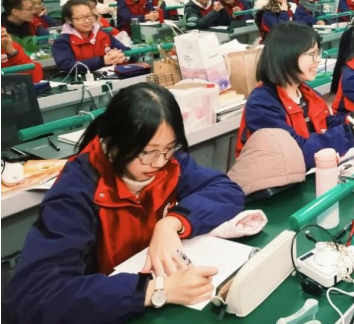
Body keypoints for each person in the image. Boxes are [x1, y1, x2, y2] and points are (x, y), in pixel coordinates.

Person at [3, 83, 245, 324]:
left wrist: (173, 223)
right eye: (147, 152)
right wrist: (155, 290)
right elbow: (36, 298)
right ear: (115, 143)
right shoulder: (76, 192)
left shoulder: (170, 163)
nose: (159, 162)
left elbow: (226, 190)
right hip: (106, 306)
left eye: (170, 148)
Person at [237, 22, 354, 168]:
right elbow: (295, 152)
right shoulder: (262, 104)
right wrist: (349, 135)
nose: (317, 59)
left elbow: (323, 123)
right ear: (287, 55)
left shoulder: (305, 92)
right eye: (311, 54)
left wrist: (351, 120)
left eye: (318, 52)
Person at [52, 0, 131, 73]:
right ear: (69, 20)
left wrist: (121, 56)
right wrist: (102, 60)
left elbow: (125, 51)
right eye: (80, 18)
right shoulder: (63, 41)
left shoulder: (102, 34)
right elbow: (66, 65)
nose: (87, 21)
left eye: (89, 16)